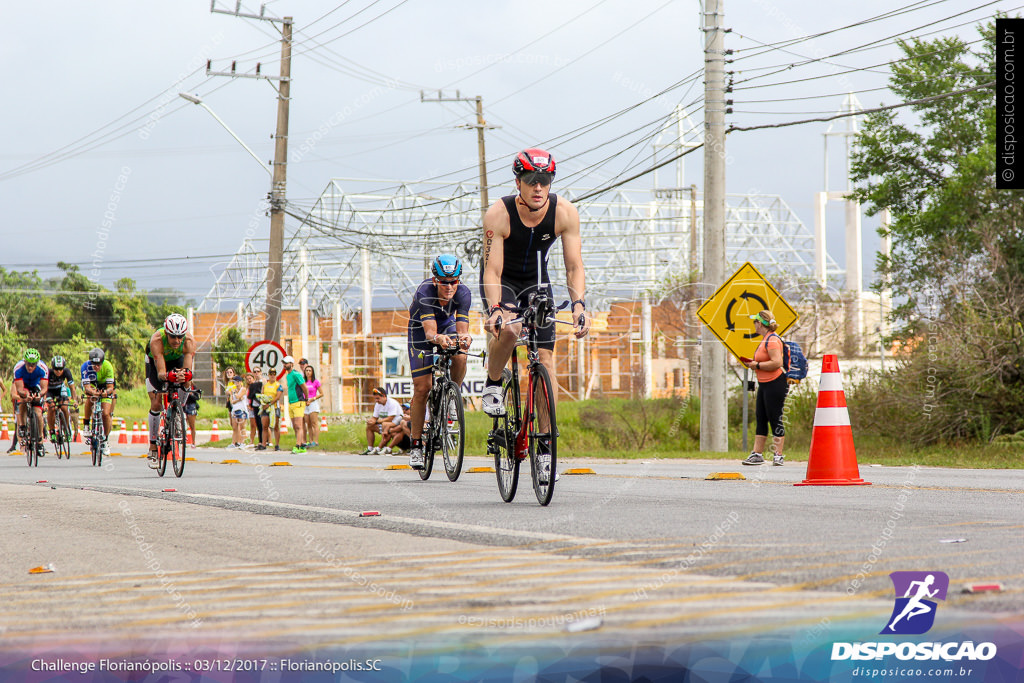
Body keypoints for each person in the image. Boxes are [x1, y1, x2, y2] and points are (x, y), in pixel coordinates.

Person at [480, 148, 591, 482]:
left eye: (544, 180)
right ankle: (494, 381)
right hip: (503, 282)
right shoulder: (498, 214)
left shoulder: (565, 212)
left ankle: (545, 449)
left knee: (545, 361)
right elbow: (492, 269)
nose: (538, 187)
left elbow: (574, 266)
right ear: (518, 182)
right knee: (511, 331)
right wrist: (496, 309)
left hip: (538, 284)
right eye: (531, 180)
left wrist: (579, 306)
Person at [406, 254, 472, 469]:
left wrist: (464, 338)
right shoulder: (424, 292)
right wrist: (438, 339)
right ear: (435, 280)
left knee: (460, 353)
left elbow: (462, 329)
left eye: (453, 281)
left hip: (446, 326)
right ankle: (416, 445)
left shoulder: (463, 293)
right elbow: (430, 332)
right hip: (421, 332)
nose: (449, 287)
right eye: (444, 282)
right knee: (422, 388)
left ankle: (453, 395)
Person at [145, 313, 196, 468]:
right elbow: (161, 373)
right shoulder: (157, 341)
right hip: (156, 362)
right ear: (166, 333)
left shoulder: (189, 341)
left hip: (177, 359)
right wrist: (168, 375)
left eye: (180, 337)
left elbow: (187, 370)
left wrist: (183, 375)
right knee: (156, 403)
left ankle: (177, 411)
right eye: (173, 337)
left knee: (187, 380)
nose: (177, 341)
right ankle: (153, 446)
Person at [741, 310, 789, 466]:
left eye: (754, 322)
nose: (753, 325)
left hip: (775, 383)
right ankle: (757, 454)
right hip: (764, 383)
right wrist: (753, 364)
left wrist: (758, 365)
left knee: (775, 418)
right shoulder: (765, 339)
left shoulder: (773, 340)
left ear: (759, 323)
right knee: (761, 417)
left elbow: (777, 362)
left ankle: (778, 455)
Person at [80, 348, 116, 457]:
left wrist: (105, 392)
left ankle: (105, 440)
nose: (96, 366)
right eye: (94, 364)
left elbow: (110, 387)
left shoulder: (108, 366)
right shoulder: (85, 367)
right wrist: (93, 392)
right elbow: (86, 387)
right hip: (92, 384)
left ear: (102, 362)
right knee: (90, 397)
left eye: (98, 364)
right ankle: (86, 424)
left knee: (106, 414)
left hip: (105, 385)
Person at [13, 349, 49, 458]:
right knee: (23, 402)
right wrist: (25, 395)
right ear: (25, 362)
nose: (30, 367)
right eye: (28, 364)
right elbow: (19, 390)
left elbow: (44, 388)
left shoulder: (43, 368)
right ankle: (23, 426)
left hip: (36, 385)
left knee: (38, 413)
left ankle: (40, 441)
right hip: (24, 386)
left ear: (37, 363)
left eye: (33, 365)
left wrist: (39, 396)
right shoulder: (18, 368)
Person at [45, 356, 78, 443]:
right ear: (53, 368)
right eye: (56, 369)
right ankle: (52, 431)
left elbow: (72, 388)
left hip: (60, 390)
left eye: (60, 369)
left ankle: (66, 429)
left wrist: (75, 400)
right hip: (49, 391)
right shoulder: (48, 372)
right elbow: (43, 387)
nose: (59, 372)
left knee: (64, 407)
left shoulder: (67, 372)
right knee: (51, 408)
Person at [362, 387, 402, 455]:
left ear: (384, 396)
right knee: (369, 426)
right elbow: (375, 417)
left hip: (395, 424)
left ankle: (384, 448)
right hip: (385, 425)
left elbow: (390, 418)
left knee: (385, 424)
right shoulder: (378, 404)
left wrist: (376, 422)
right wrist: (371, 421)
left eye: (378, 398)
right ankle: (370, 448)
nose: (376, 400)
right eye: (375, 398)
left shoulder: (392, 403)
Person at [282, 356, 307, 454]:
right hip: (291, 402)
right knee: (294, 425)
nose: (285, 365)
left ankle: (298, 445)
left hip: (299, 401)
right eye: (284, 363)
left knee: (298, 425)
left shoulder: (296, 374)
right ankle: (301, 445)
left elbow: (304, 387)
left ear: (291, 364)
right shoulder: (288, 375)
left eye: (287, 363)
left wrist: (307, 399)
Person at [258, 368, 284, 451]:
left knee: (276, 426)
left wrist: (269, 404)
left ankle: (277, 444)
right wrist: (263, 403)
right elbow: (262, 394)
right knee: (265, 426)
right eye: (271, 374)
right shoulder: (265, 385)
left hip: (274, 407)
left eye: (274, 374)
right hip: (265, 407)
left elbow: (277, 397)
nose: (272, 375)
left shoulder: (278, 385)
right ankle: (264, 444)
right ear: (269, 375)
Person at [302, 364, 323, 449]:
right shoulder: (303, 382)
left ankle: (316, 441)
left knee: (314, 423)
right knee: (308, 423)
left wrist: (312, 399)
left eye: (310, 371)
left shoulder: (316, 382)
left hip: (313, 402)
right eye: (306, 370)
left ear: (312, 372)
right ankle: (310, 441)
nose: (308, 372)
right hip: (305, 402)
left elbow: (321, 393)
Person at [229, 373, 250, 448]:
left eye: (237, 382)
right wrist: (238, 399)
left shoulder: (243, 389)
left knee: (242, 426)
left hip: (242, 409)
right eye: (235, 382)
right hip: (235, 409)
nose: (236, 383)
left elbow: (239, 396)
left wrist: (236, 395)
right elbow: (232, 401)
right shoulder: (232, 390)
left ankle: (242, 442)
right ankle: (234, 442)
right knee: (235, 427)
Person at [183, 380, 201, 446]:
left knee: (192, 425)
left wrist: (191, 394)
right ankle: (183, 440)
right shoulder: (182, 387)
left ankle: (193, 442)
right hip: (183, 405)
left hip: (191, 406)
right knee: (183, 425)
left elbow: (197, 398)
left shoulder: (193, 387)